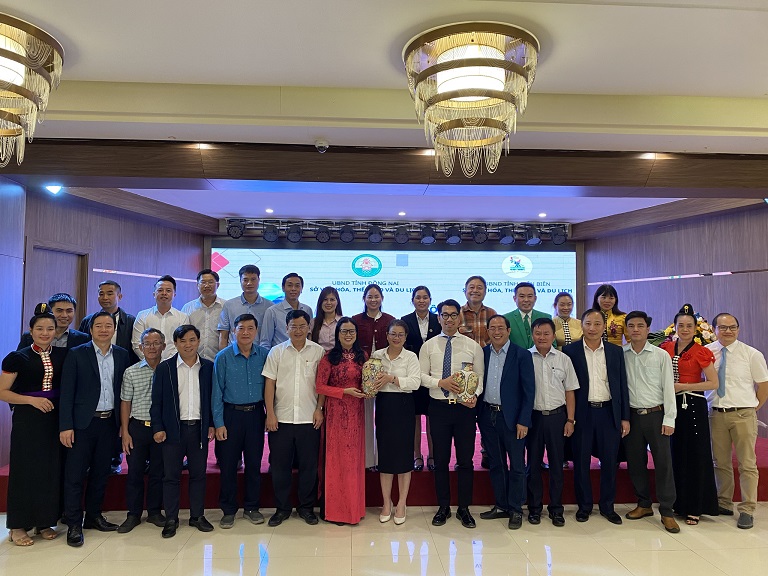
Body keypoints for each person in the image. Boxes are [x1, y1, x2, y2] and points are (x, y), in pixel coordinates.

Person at [59, 311, 131, 547]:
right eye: (98, 325)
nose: (103, 329)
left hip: (109, 423)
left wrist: (123, 425)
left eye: (108, 325)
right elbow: (67, 393)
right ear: (90, 329)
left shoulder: (121, 355)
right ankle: (73, 523)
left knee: (101, 472)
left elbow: (124, 392)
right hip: (82, 424)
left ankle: (93, 516)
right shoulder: (76, 354)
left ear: (114, 329)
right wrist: (66, 426)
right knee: (75, 475)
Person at [0, 304, 67, 546]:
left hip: (53, 418)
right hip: (27, 419)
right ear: (31, 331)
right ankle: (18, 525)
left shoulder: (63, 355)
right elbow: (3, 392)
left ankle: (44, 521)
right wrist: (31, 400)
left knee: (49, 469)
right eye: (40, 328)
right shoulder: (17, 357)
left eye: (50, 329)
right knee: (25, 470)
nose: (45, 333)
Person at [419, 299, 484, 529]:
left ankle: (464, 508)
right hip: (439, 408)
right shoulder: (428, 346)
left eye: (453, 315)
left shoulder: (472, 346)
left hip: (464, 410)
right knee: (441, 460)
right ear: (438, 318)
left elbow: (479, 378)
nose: (449, 319)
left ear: (459, 318)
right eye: (444, 315)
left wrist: (474, 395)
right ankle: (443, 506)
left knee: (465, 460)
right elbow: (421, 377)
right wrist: (441, 382)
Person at [562, 309, 629, 525]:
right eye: (588, 323)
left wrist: (624, 417)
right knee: (581, 462)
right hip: (583, 413)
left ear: (604, 326)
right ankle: (584, 506)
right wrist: (570, 418)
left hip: (609, 413)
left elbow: (622, 385)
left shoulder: (615, 351)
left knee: (609, 462)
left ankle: (608, 506)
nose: (592, 328)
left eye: (597, 324)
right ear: (581, 325)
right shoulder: (570, 351)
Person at [150, 325, 215, 538]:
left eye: (192, 340)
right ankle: (171, 518)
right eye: (183, 341)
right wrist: (158, 428)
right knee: (171, 476)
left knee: (198, 475)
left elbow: (212, 399)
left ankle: (197, 516)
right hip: (172, 431)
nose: (188, 345)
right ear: (176, 343)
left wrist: (211, 424)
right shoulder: (165, 368)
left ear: (198, 342)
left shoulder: (208, 367)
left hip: (198, 429)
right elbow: (156, 402)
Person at [262, 309, 325, 527]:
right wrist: (270, 413)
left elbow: (322, 384)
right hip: (281, 419)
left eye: (302, 326)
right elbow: (269, 383)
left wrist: (319, 408)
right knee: (280, 467)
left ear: (309, 327)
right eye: (293, 326)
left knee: (309, 467)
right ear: (286, 328)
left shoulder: (318, 352)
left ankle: (306, 508)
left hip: (309, 418)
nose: (298, 330)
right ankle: (282, 508)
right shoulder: (276, 352)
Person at [706, 313, 768, 530]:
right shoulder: (707, 353)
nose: (728, 331)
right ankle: (724, 502)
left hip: (743, 414)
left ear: (738, 329)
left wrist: (751, 409)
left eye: (732, 327)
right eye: (723, 327)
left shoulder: (752, 354)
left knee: (747, 463)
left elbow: (763, 386)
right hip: (715, 414)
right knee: (720, 461)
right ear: (714, 329)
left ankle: (747, 508)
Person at [660, 304, 719, 525]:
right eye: (681, 325)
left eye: (689, 326)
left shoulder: (701, 352)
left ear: (695, 329)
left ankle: (695, 506)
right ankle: (677, 502)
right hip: (670, 404)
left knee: (695, 454)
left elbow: (713, 383)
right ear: (674, 327)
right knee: (674, 452)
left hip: (692, 405)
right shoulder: (665, 348)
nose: (684, 329)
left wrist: (684, 386)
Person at [622, 311, 679, 533]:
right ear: (626, 329)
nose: (635, 330)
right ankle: (644, 503)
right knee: (635, 462)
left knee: (663, 463)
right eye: (631, 326)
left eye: (640, 326)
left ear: (648, 329)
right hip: (632, 417)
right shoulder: (621, 355)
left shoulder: (660, 355)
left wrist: (670, 418)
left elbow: (668, 388)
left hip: (657, 415)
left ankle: (667, 511)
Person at [476, 315, 534, 530]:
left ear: (509, 331)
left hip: (513, 419)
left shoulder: (521, 355)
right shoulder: (482, 354)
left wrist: (523, 420)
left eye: (501, 328)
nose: (497, 332)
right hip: (488, 416)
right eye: (492, 328)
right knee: (496, 463)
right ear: (488, 331)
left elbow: (529, 391)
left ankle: (516, 508)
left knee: (517, 465)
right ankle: (501, 505)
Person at [212, 313, 269, 529]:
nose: (246, 332)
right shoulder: (223, 357)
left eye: (250, 328)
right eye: (241, 328)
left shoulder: (264, 355)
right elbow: (216, 392)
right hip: (231, 415)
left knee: (254, 463)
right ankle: (228, 510)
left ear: (256, 331)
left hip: (256, 414)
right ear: (234, 331)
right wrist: (219, 423)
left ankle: (252, 507)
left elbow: (271, 388)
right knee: (228, 465)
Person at [525, 317, 578, 527]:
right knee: (533, 465)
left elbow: (570, 391)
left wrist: (570, 420)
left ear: (553, 335)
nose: (542, 337)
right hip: (533, 418)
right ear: (532, 335)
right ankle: (534, 508)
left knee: (557, 464)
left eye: (546, 333)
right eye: (538, 333)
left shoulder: (564, 359)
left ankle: (556, 509)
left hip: (558, 417)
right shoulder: (525, 358)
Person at [315, 317, 368, 525]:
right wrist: (344, 392)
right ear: (337, 334)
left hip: (356, 414)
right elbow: (320, 386)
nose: (348, 335)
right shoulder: (329, 357)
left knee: (353, 462)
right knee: (337, 461)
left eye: (351, 331)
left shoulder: (363, 356)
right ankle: (336, 511)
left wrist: (369, 390)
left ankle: (353, 509)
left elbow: (367, 382)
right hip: (335, 415)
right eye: (344, 331)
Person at [370, 319, 421, 525]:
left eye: (400, 334)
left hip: (404, 406)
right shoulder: (377, 355)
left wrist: (392, 379)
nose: (396, 338)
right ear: (387, 335)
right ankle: (386, 503)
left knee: (403, 457)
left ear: (406, 337)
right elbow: (371, 381)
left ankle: (401, 503)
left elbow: (415, 383)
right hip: (384, 406)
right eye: (393, 334)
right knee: (386, 457)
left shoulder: (411, 357)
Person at [117, 328, 167, 533]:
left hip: (161, 430)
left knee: (158, 472)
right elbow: (125, 402)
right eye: (147, 343)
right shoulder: (131, 371)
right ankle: (133, 514)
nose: (152, 347)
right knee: (135, 473)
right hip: (137, 427)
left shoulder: (169, 370)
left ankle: (154, 511)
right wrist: (125, 431)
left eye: (156, 343)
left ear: (164, 346)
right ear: (140, 347)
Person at [352, 283, 396, 471]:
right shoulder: (355, 320)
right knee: (366, 419)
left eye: (376, 296)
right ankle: (368, 460)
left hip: (385, 375)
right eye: (369, 296)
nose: (373, 300)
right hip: (362, 376)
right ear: (364, 298)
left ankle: (383, 458)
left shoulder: (390, 320)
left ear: (382, 298)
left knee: (385, 419)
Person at [402, 286, 440, 472]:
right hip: (413, 375)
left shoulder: (438, 320)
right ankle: (417, 455)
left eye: (425, 297)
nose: (422, 300)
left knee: (433, 417)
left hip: (434, 375)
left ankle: (432, 455)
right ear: (413, 300)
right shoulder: (405, 321)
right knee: (415, 417)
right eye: (418, 297)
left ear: (430, 300)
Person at [132, 275, 189, 360]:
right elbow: (137, 344)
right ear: (154, 294)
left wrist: (168, 364)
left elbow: (183, 343)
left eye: (168, 290)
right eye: (160, 290)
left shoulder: (183, 317)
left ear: (174, 294)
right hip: (148, 364)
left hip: (174, 364)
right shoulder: (142, 316)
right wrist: (151, 361)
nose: (164, 293)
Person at [218, 265, 272, 349]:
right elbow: (223, 336)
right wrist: (223, 355)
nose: (249, 283)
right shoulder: (229, 305)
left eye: (253, 279)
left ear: (259, 280)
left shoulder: (269, 306)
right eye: (245, 280)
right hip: (234, 353)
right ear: (240, 281)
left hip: (259, 354)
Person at [260, 273, 314, 350]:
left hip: (303, 354)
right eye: (290, 285)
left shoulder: (307, 310)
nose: (293, 289)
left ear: (301, 289)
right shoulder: (272, 311)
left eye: (297, 286)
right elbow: (265, 342)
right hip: (280, 355)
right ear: (283, 288)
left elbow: (309, 337)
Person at [18, 293, 89, 350]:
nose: (64, 315)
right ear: (50, 312)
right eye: (59, 310)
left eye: (69, 311)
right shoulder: (29, 336)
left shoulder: (83, 339)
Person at [182, 269, 225, 362]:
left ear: (218, 285)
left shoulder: (226, 307)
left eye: (210, 282)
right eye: (203, 282)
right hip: (193, 361)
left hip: (219, 360)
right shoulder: (188, 308)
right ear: (197, 285)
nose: (207, 285)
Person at [503, 283, 551, 350]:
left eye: (530, 296)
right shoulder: (506, 319)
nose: (526, 300)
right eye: (522, 296)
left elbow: (552, 344)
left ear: (535, 298)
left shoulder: (546, 317)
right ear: (514, 298)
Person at [459, 275, 497, 347]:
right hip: (463, 353)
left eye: (479, 288)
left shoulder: (492, 313)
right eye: (471, 287)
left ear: (485, 292)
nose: (475, 291)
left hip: (486, 353)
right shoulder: (457, 313)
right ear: (465, 291)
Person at [310, 286, 343, 351]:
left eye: (332, 300)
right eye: (325, 299)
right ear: (320, 302)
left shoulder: (343, 322)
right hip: (318, 355)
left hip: (338, 356)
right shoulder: (313, 322)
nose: (328, 303)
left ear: (337, 302)